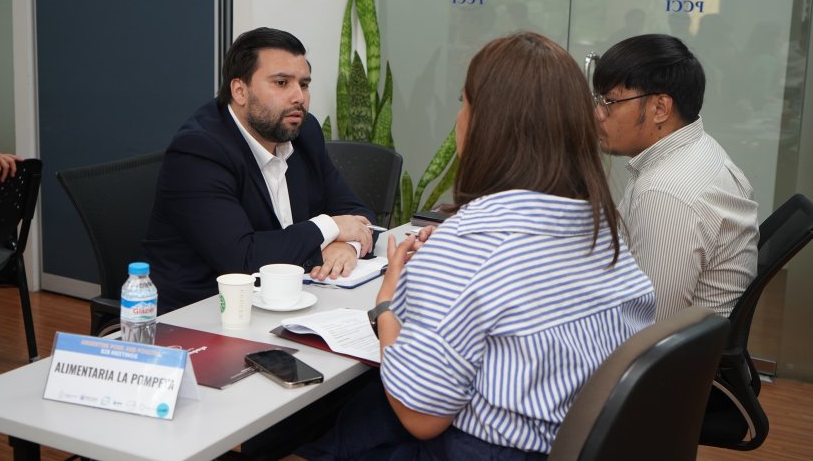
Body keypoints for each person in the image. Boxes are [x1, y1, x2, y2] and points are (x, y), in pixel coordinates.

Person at [294, 32, 655, 460]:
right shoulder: (601, 228)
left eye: (463, 103)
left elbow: (421, 417)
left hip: (489, 450)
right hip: (574, 442)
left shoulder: (468, 245)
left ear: (486, 127)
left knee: (338, 431)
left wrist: (386, 304)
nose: (459, 117)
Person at [143, 27, 377, 313]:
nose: (299, 97)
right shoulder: (199, 151)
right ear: (240, 91)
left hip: (291, 299)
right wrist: (330, 228)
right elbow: (243, 258)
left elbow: (357, 214)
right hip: (206, 312)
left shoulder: (303, 132)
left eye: (304, 84)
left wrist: (347, 246)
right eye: (281, 83)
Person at [592, 34, 759, 321]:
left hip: (672, 347)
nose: (598, 114)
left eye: (610, 101)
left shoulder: (665, 193)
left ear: (660, 108)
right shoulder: (696, 148)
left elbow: (650, 323)